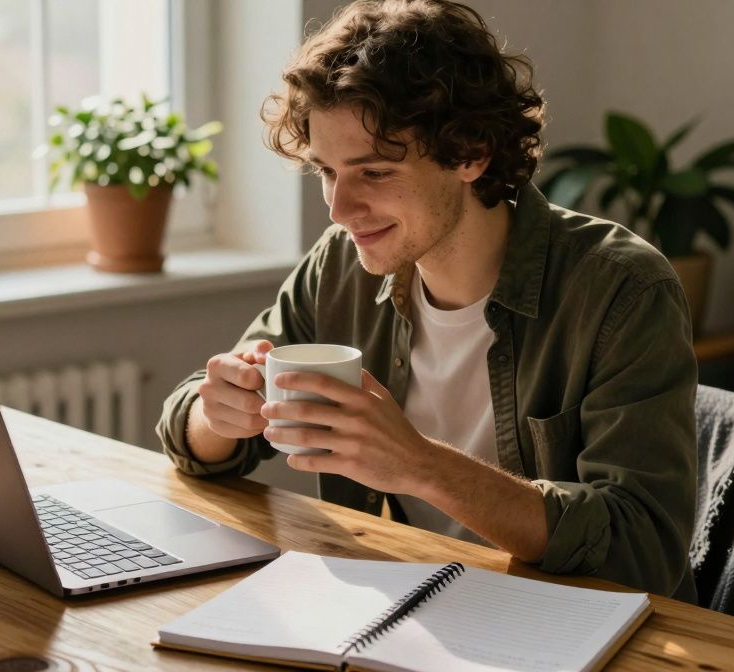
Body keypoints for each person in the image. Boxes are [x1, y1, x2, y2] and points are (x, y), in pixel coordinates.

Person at [156, 0, 698, 600]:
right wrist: (220, 416)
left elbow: (642, 549)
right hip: (408, 602)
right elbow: (195, 436)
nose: (339, 210)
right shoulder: (340, 267)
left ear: (470, 153)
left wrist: (418, 465)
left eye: (375, 173)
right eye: (328, 172)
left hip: (569, 627)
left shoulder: (621, 290)